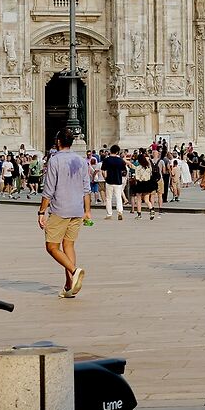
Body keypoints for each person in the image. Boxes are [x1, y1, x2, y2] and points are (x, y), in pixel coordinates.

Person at [39, 127, 92, 297]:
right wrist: (87, 211)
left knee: (51, 247)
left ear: (59, 142)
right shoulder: (81, 160)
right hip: (77, 209)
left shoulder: (55, 160)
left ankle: (74, 270)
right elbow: (86, 189)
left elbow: (48, 190)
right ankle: (70, 285)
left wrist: (41, 212)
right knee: (68, 245)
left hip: (60, 210)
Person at [99, 145, 130, 220]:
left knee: (108, 198)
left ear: (110, 151)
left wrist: (105, 178)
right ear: (117, 152)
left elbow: (103, 170)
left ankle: (109, 214)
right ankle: (120, 212)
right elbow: (123, 170)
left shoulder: (107, 160)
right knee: (118, 197)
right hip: (118, 180)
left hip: (109, 181)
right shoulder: (120, 160)